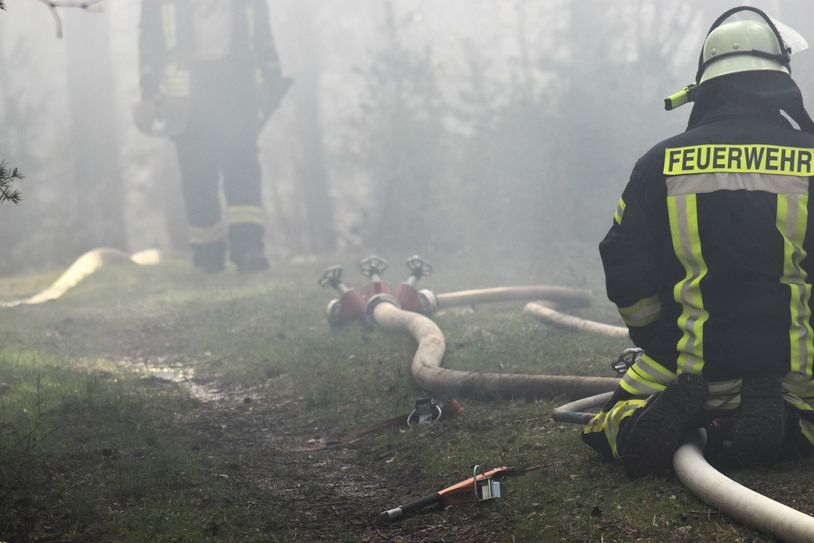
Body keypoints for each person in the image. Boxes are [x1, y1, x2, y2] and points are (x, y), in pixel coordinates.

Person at [582, 7, 814, 478]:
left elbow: (623, 263)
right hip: (791, 373)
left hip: (684, 369)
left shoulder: (659, 163)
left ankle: (645, 423)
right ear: (780, 81)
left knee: (604, 423)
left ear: (704, 87)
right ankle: (785, 427)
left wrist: (654, 337)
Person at [135, 0, 289, 273]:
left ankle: (249, 249)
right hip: (186, 94)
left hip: (236, 84)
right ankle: (207, 253)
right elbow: (150, 37)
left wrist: (271, 71)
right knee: (197, 174)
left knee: (242, 167)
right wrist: (149, 87)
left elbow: (261, 30)